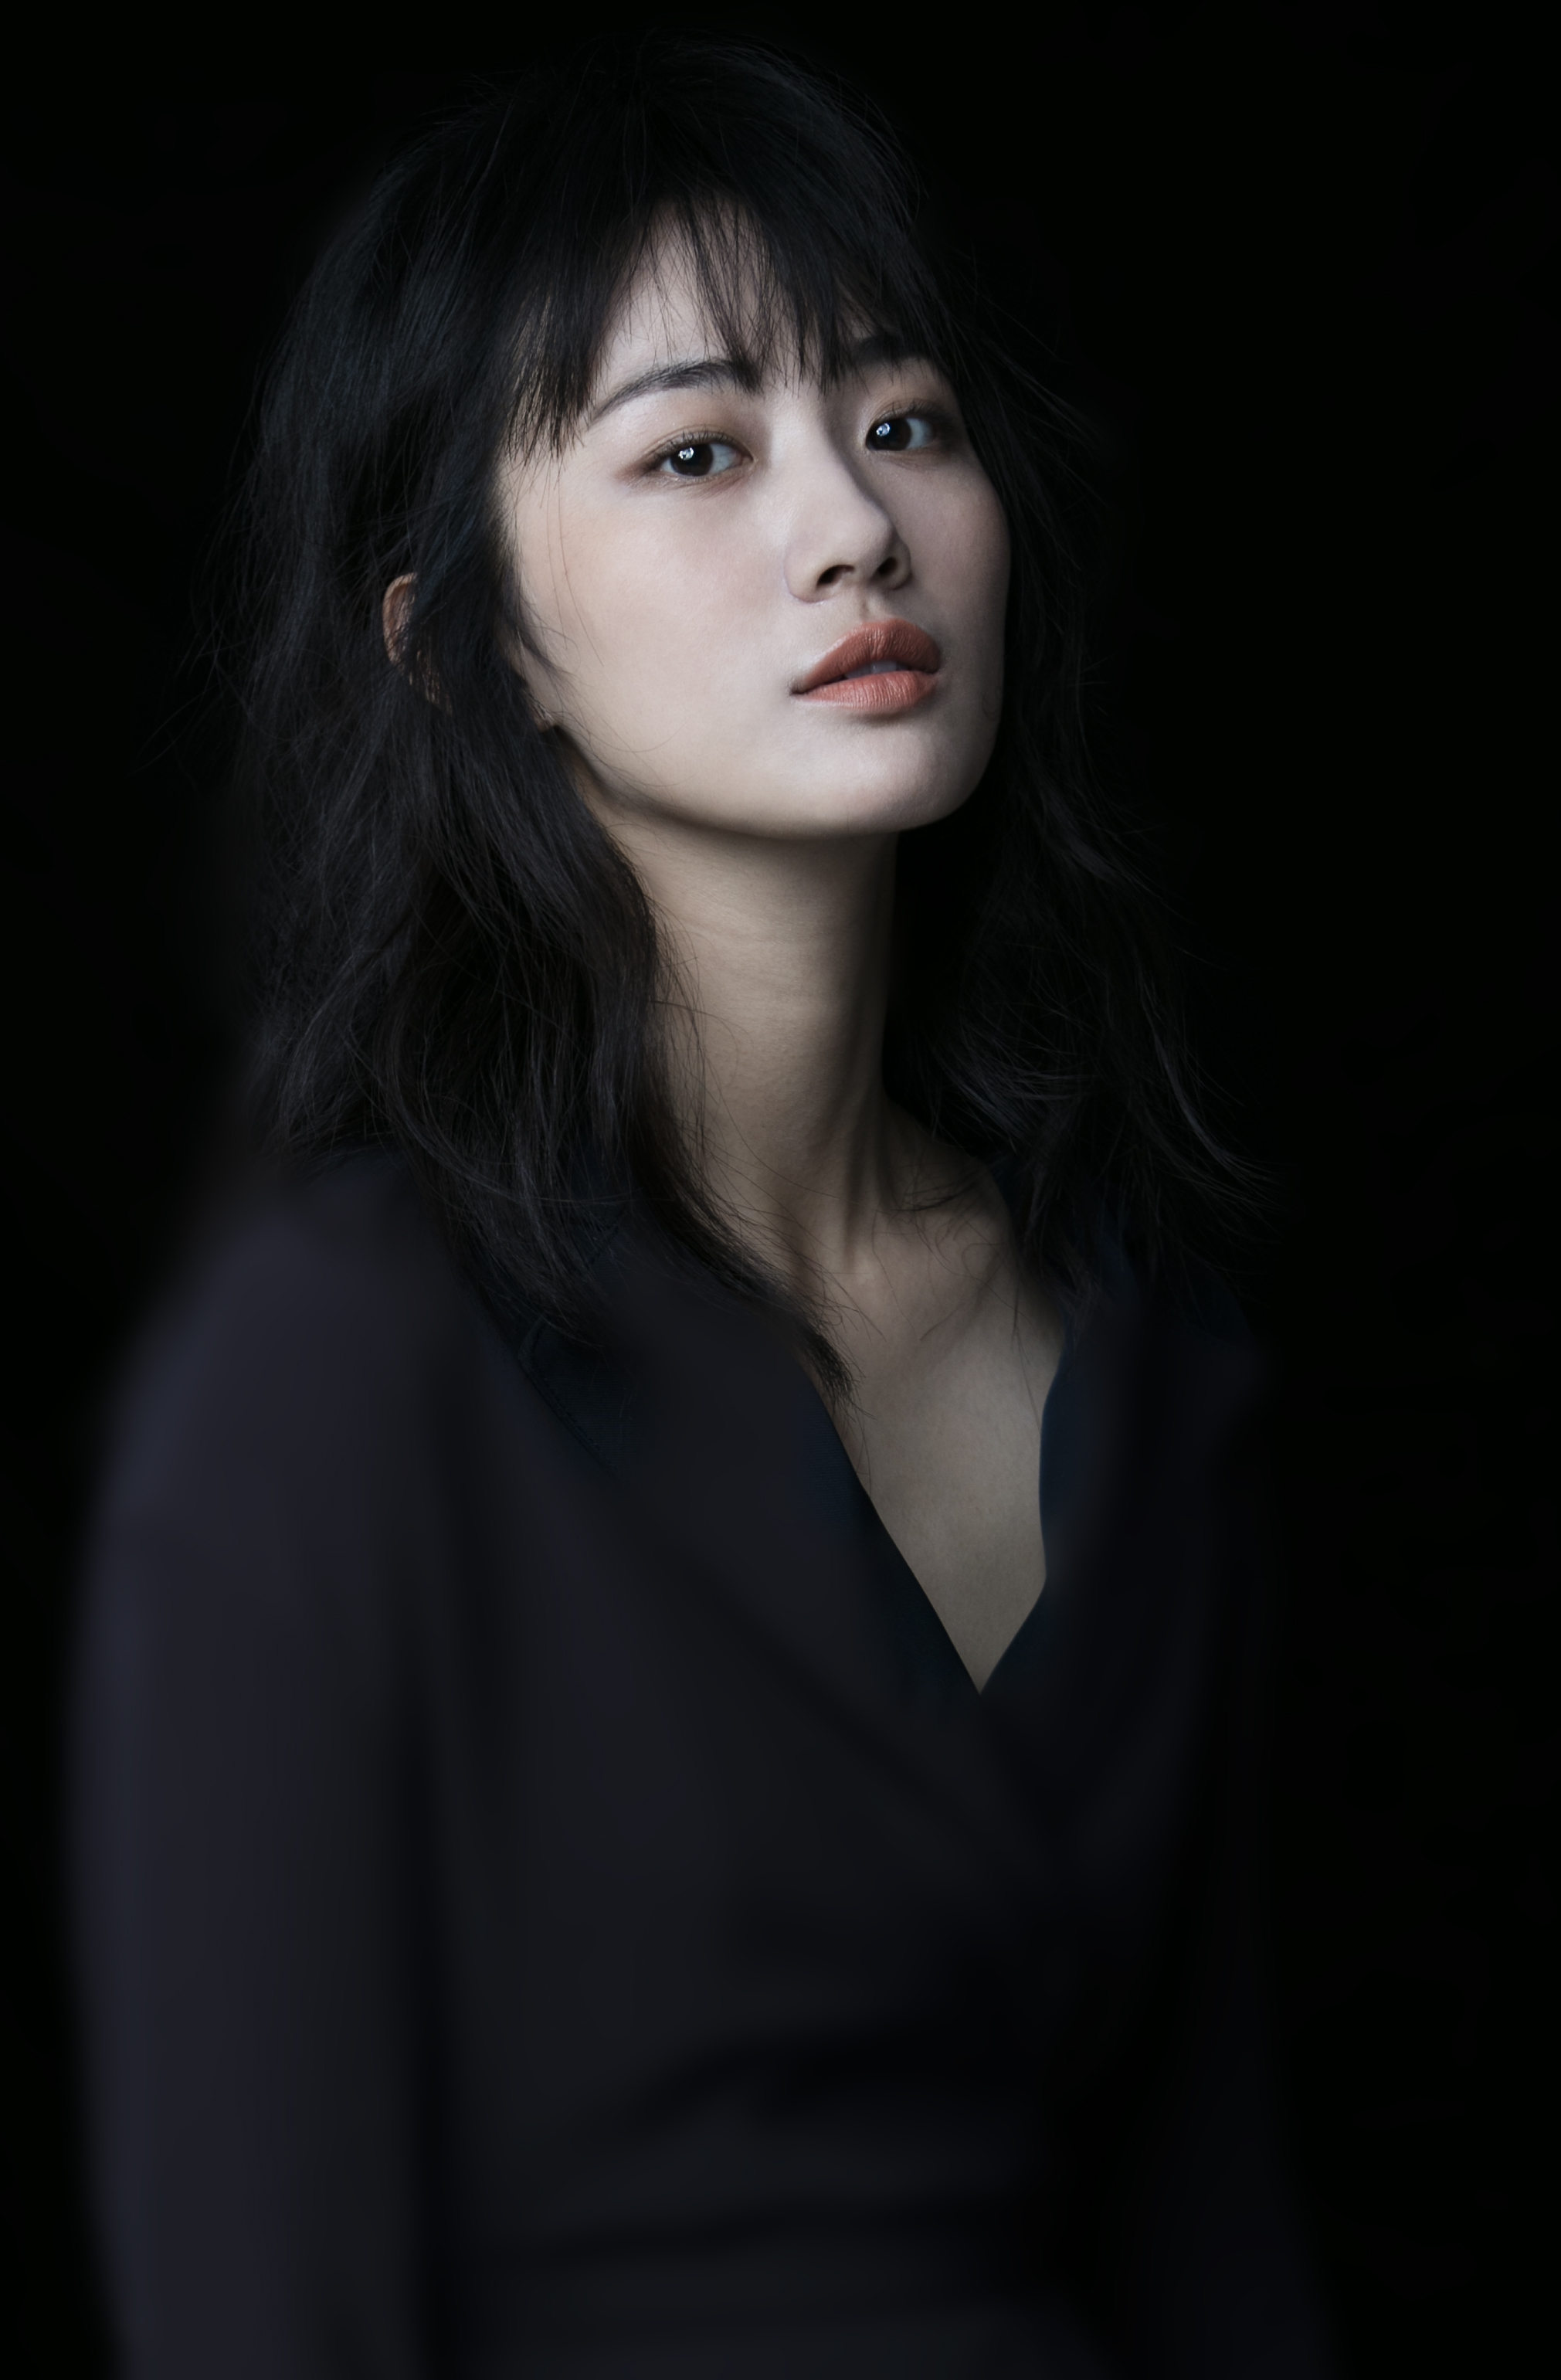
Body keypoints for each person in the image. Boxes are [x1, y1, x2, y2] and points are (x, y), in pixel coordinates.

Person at [71, 39, 1335, 2379]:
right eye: (696, 450)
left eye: (903, 418)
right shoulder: (340, 1367)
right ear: (462, 642)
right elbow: (260, 2304)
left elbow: (1217, 2238)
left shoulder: (1157, 1350)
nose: (851, 525)